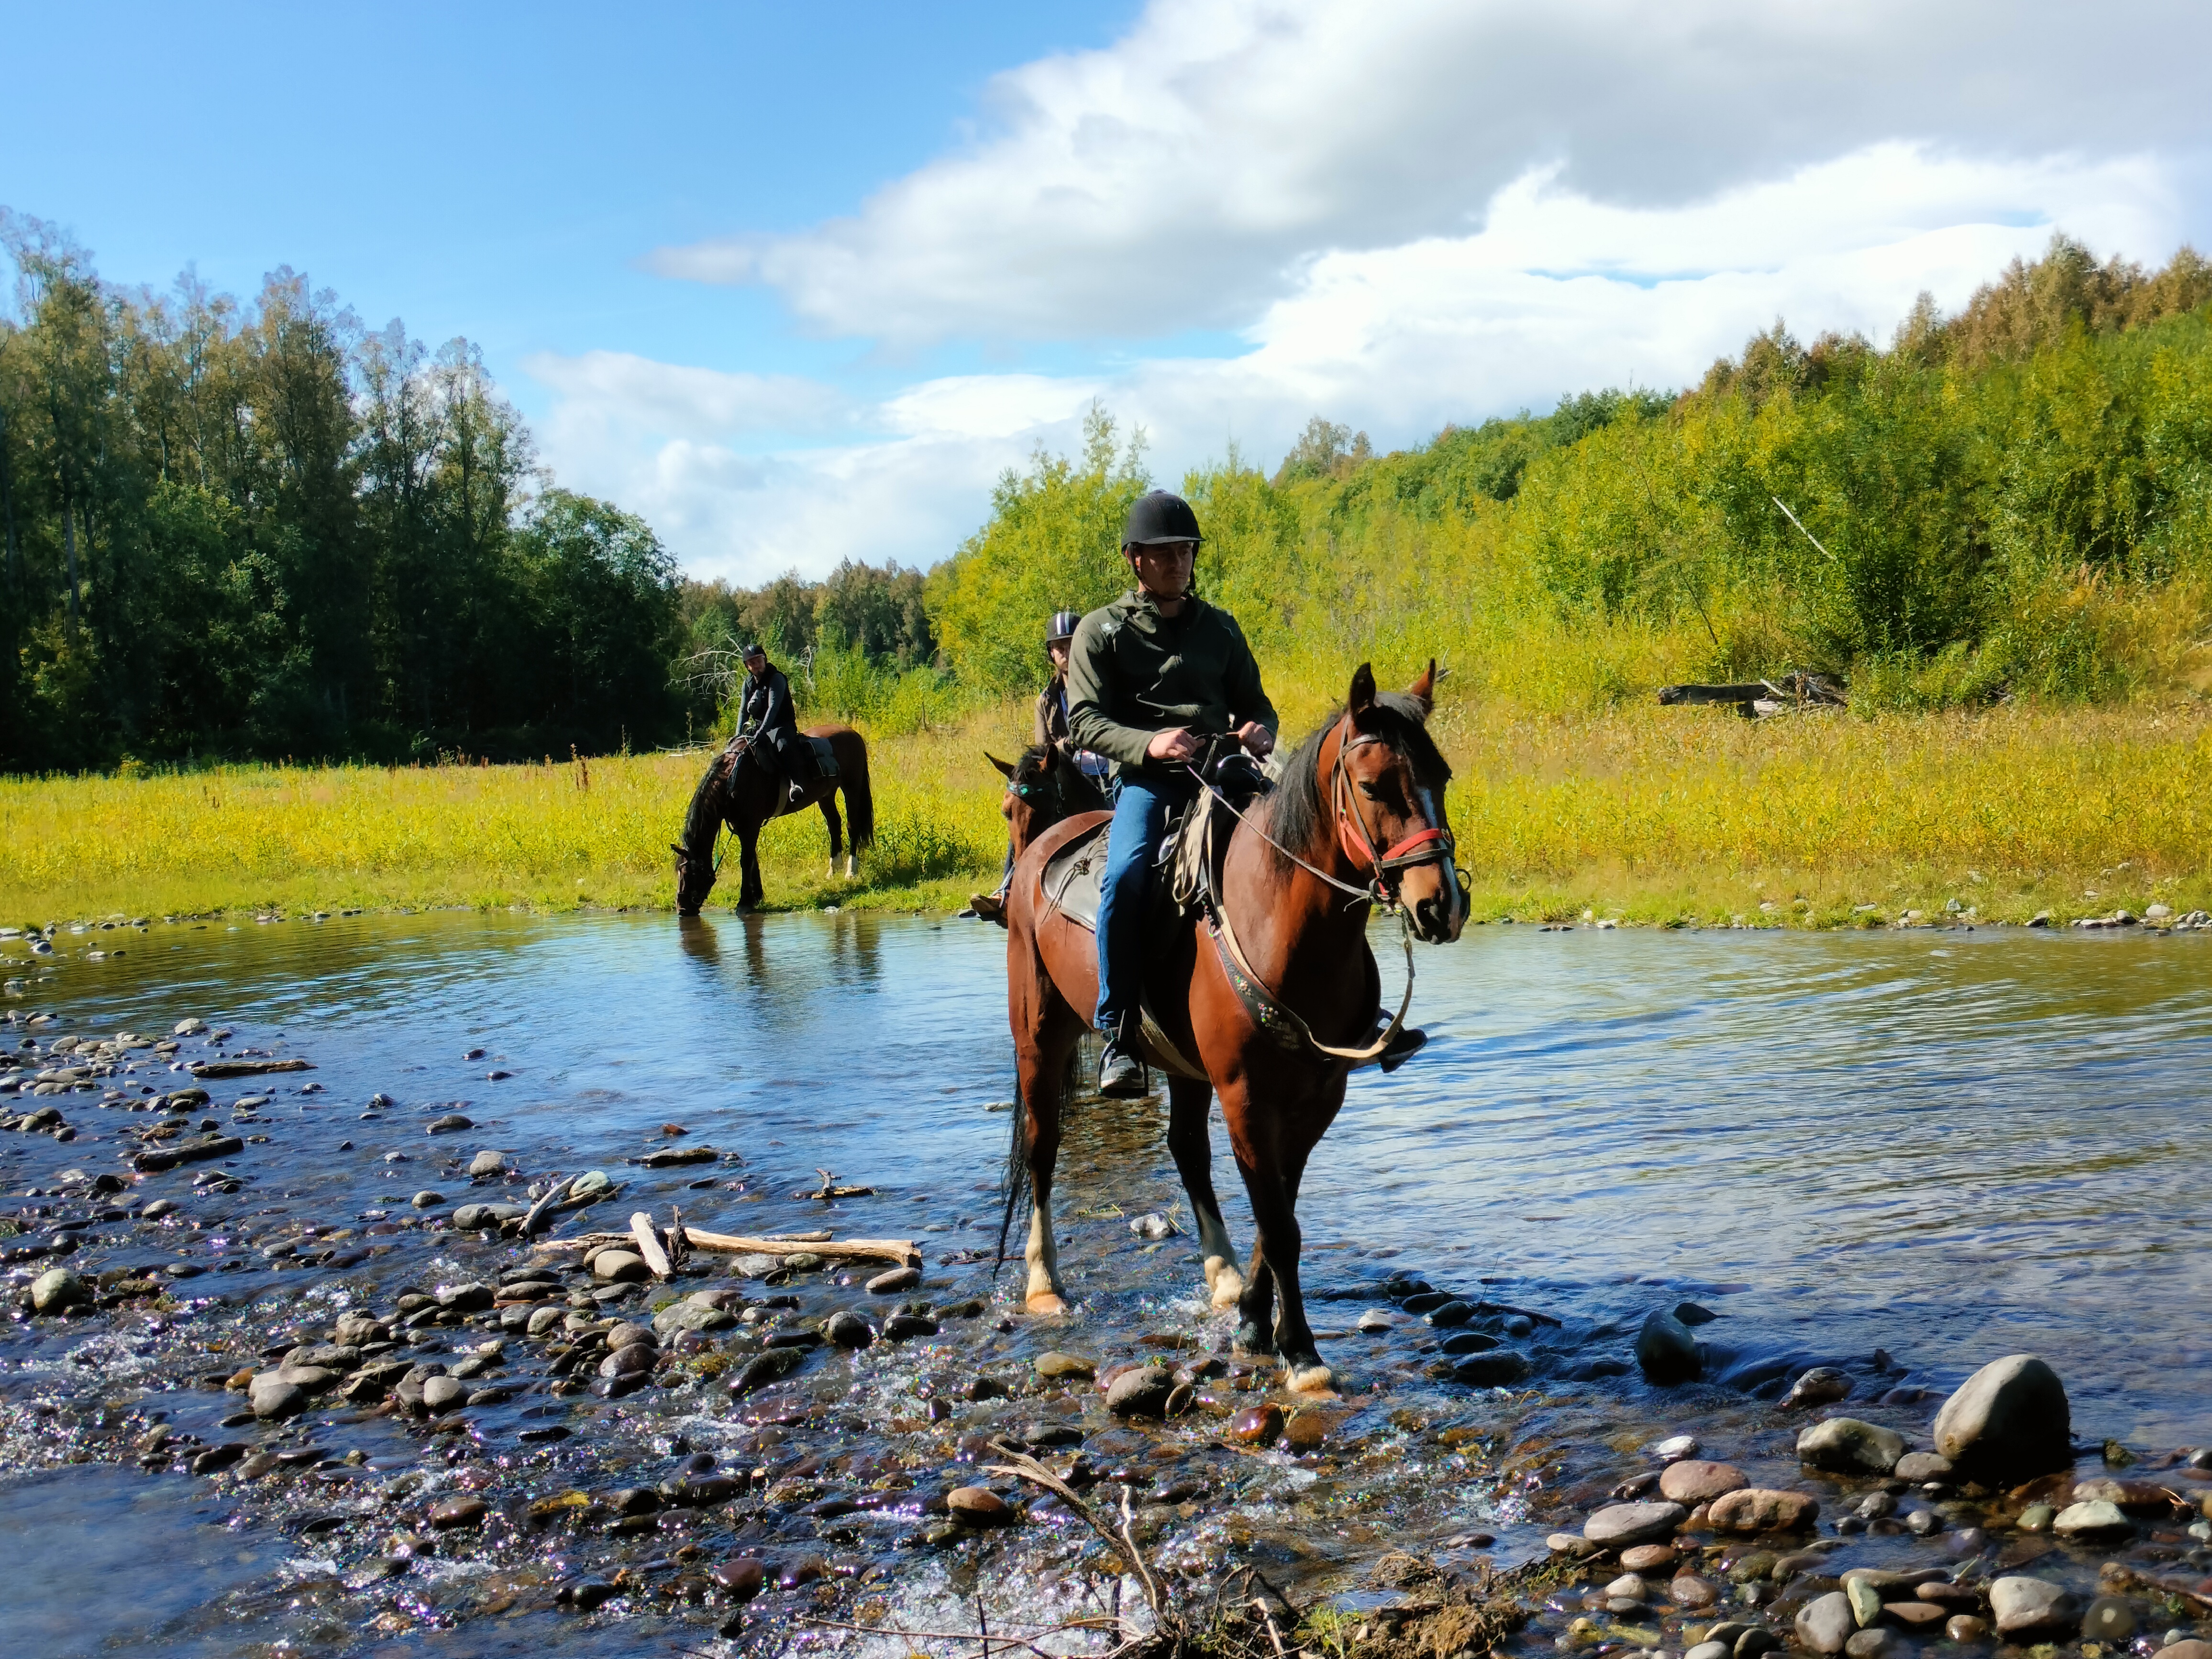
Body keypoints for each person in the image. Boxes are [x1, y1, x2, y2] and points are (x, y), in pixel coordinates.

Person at [1067, 490, 1277, 1097]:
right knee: (1128, 874)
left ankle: (1339, 1007)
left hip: (1227, 773)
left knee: (1300, 850)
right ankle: (1119, 1033)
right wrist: (1149, 744)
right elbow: (1083, 720)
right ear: (1134, 559)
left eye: (1185, 551)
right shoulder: (1100, 631)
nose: (1178, 562)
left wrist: (1262, 727)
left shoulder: (1220, 628)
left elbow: (1255, 702)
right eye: (1163, 553)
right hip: (1149, 780)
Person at [968, 611, 1105, 922]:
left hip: (1106, 770)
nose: (1065, 652)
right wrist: (1065, 749)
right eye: (1059, 647)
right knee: (1025, 808)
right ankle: (1005, 892)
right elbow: (1043, 747)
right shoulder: (1046, 700)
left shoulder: (1103, 688)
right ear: (1051, 654)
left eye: (1071, 644)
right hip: (1066, 772)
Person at [731, 642, 812, 804]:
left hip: (782, 725)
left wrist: (761, 734)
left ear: (765, 660)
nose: (756, 666)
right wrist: (738, 734)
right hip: (761, 727)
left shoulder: (776, 678)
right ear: (747, 666)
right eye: (752, 663)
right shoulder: (748, 684)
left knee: (784, 746)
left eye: (759, 661)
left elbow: (773, 709)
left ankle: (796, 784)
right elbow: (743, 711)